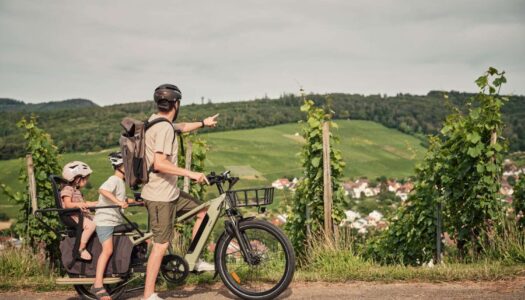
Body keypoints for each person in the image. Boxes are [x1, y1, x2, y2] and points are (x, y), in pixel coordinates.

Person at [141, 83, 218, 300]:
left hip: (170, 193)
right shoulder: (164, 128)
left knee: (203, 212)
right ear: (176, 103)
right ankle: (148, 295)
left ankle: (194, 259)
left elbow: (181, 127)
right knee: (161, 243)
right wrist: (190, 174)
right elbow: (159, 163)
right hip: (160, 196)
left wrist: (203, 123)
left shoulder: (156, 121)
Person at [90, 152, 135, 300]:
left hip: (114, 221)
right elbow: (102, 190)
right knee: (107, 250)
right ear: (120, 166)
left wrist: (136, 202)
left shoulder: (120, 182)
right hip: (105, 222)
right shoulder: (114, 179)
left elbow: (122, 198)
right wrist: (118, 202)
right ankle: (97, 285)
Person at [60, 161, 98, 261]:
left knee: (100, 220)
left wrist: (92, 203)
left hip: (79, 214)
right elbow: (67, 204)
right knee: (91, 225)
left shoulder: (76, 190)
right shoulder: (67, 189)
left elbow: (82, 203)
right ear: (76, 178)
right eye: (85, 179)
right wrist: (81, 205)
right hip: (73, 215)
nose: (86, 181)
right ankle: (81, 248)